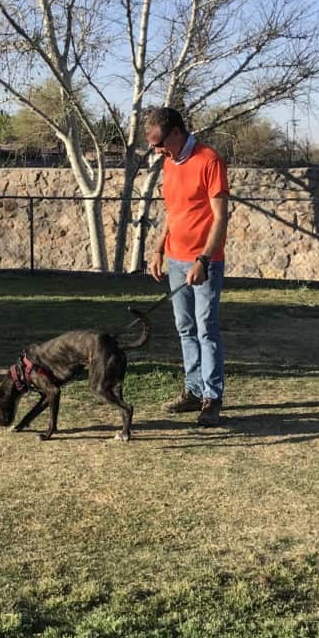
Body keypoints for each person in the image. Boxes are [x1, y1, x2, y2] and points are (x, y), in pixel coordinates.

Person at [145, 107, 229, 427]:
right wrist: (158, 250)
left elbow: (220, 217)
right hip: (176, 259)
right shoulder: (170, 163)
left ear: (177, 132)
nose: (157, 150)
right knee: (185, 328)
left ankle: (212, 398)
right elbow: (173, 212)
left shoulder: (209, 160)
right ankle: (193, 391)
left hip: (204, 264)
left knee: (206, 328)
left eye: (159, 143)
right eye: (153, 145)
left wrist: (204, 259)